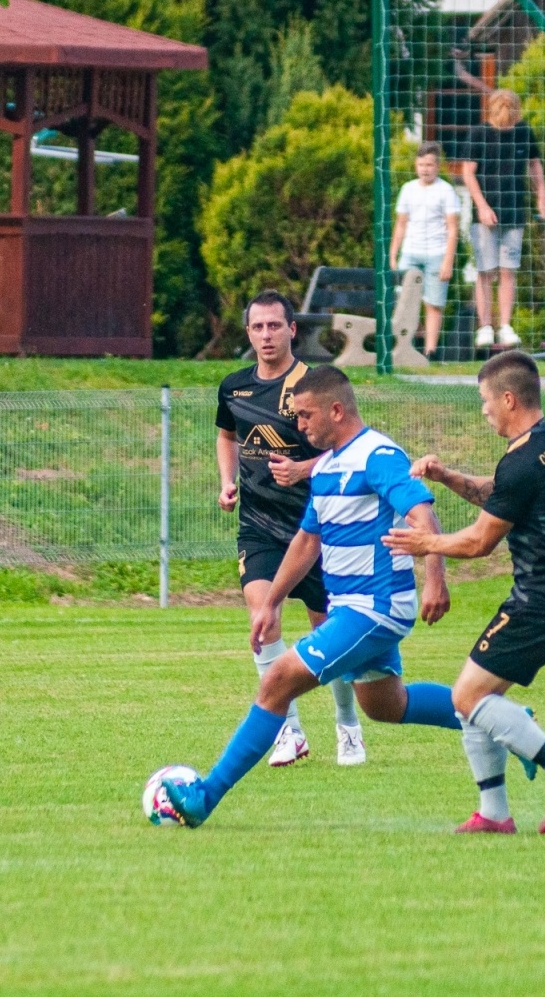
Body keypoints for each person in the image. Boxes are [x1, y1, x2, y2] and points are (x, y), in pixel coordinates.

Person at [167, 365, 463, 827]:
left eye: (305, 417)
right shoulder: (327, 466)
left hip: (375, 607)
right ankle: (503, 721)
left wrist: (435, 580)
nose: (298, 427)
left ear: (336, 410)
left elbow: (422, 513)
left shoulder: (377, 455)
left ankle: (205, 796)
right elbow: (308, 541)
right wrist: (269, 602)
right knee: (386, 706)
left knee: (277, 682)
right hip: (356, 607)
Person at [383, 351, 545, 834]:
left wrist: (426, 543)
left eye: (485, 400)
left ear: (508, 398)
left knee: (467, 696)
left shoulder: (524, 461)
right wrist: (448, 477)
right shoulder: (540, 444)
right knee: (472, 699)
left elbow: (481, 541)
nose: (483, 410)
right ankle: (495, 814)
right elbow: (498, 491)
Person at [216, 291, 368, 767]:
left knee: (329, 637)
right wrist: (226, 481)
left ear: (292, 330)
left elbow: (352, 446)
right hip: (259, 528)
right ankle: (290, 731)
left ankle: (348, 726)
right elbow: (226, 436)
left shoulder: (313, 385)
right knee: (264, 618)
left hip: (317, 529)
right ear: (248, 333)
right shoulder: (233, 388)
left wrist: (303, 471)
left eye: (275, 326)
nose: (266, 335)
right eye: (258, 327)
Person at [462, 89, 545, 352]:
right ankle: (485, 326)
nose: (508, 122)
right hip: (486, 214)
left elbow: (534, 164)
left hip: (514, 211)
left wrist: (541, 195)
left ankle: (505, 325)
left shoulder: (523, 131)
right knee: (485, 270)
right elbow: (468, 173)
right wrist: (482, 206)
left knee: (508, 269)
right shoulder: (479, 134)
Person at [390, 141, 460, 361]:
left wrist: (447, 261)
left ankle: (430, 351)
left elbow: (452, 229)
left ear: (437, 166)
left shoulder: (446, 191)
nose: (425, 169)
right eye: (421, 164)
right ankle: (404, 347)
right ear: (416, 165)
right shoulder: (408, 189)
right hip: (411, 252)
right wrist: (394, 253)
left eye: (429, 164)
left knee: (433, 303)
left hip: (436, 254)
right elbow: (401, 224)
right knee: (404, 302)